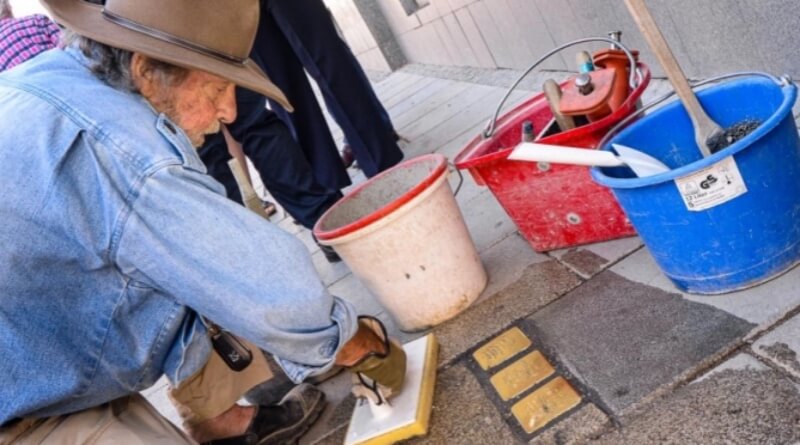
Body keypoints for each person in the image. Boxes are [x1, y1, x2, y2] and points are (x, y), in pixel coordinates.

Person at [0, 0, 405, 443]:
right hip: (16, 401)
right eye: (216, 90)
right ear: (147, 69)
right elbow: (259, 281)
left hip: (31, 342)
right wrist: (354, 341)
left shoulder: (53, 77)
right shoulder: (131, 156)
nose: (229, 112)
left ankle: (223, 423)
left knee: (176, 264)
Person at [0, 0, 61, 71]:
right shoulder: (36, 20)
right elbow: (68, 46)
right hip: (62, 72)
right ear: (8, 8)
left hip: (25, 81)